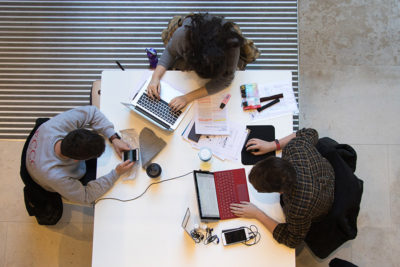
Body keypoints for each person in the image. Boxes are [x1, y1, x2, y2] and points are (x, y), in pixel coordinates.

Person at [230, 128, 335, 248]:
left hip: (325, 201)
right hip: (326, 172)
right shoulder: (295, 147)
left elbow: (293, 240)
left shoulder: (298, 207)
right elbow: (311, 133)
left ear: (281, 192)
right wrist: (272, 145)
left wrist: (257, 214)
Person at [25, 105, 135, 204]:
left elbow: (92, 112)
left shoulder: (55, 126)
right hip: (44, 178)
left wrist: (113, 138)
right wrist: (116, 173)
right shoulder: (56, 176)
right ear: (77, 160)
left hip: (40, 156)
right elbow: (86, 196)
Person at [147, 13, 251, 111]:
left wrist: (187, 98)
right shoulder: (183, 36)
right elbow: (170, 51)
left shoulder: (232, 44)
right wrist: (155, 78)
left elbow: (226, 80)